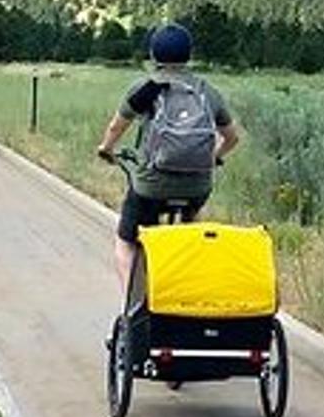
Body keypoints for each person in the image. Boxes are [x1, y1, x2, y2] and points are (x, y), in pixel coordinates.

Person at [94, 22, 241, 292]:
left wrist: (106, 148)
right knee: (190, 235)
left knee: (126, 241)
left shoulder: (146, 88)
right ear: (189, 55)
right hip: (197, 185)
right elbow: (232, 138)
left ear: (153, 55)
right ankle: (187, 292)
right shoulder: (206, 91)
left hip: (151, 184)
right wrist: (213, 158)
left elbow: (117, 126)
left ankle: (135, 307)